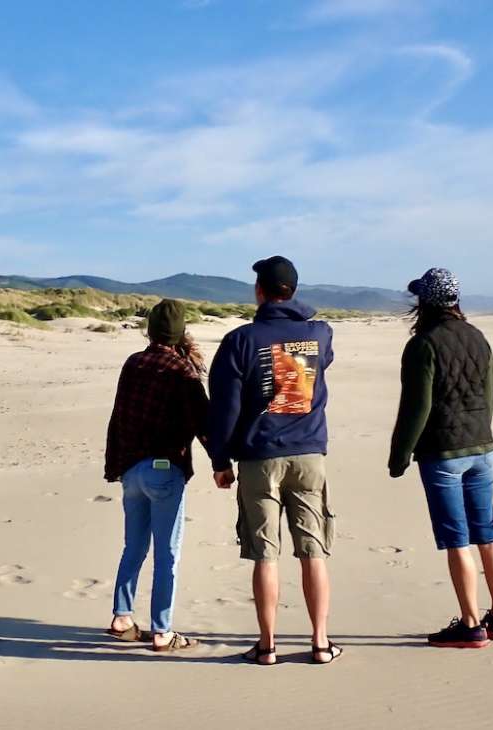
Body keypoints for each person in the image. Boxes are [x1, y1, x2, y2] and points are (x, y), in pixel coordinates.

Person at [207, 256, 341, 666]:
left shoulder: (241, 340)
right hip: (307, 455)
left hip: (260, 458)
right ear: (294, 291)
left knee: (265, 552)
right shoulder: (319, 333)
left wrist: (220, 459)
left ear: (260, 291)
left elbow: (224, 408)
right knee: (312, 549)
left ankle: (267, 645)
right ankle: (320, 642)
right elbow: (319, 358)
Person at [388, 268, 493, 648]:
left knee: (457, 538)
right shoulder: (478, 337)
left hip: (442, 453)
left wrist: (400, 455)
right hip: (483, 448)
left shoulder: (423, 345)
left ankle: (471, 623)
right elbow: (489, 395)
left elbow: (416, 407)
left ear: (424, 302)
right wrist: (479, 432)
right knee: (487, 533)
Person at [104, 299, 209, 653]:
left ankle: (122, 617)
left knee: (133, 546)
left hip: (131, 470)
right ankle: (162, 632)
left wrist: (113, 466)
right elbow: (203, 422)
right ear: (181, 333)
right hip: (164, 471)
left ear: (149, 330)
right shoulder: (182, 370)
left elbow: (118, 416)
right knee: (167, 553)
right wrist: (222, 462)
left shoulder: (133, 362)